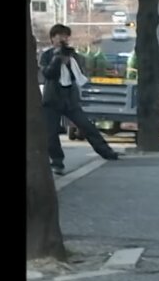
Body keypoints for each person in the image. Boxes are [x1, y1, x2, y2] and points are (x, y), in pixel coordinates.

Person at [39, 24, 120, 175]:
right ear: (52, 38)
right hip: (52, 100)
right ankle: (57, 162)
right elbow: (48, 74)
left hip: (70, 99)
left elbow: (80, 74)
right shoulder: (46, 55)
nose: (62, 39)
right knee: (50, 134)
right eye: (59, 36)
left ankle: (107, 152)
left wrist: (68, 61)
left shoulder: (72, 55)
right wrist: (57, 59)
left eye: (65, 36)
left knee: (87, 126)